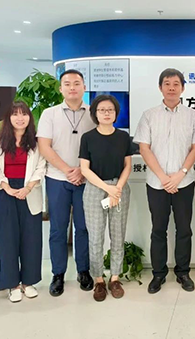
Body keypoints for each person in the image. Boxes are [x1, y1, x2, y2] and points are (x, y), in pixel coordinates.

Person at [133, 68, 195, 294]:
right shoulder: (149, 115)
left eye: (176, 84)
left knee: (184, 229)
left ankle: (183, 272)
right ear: (160, 87)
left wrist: (181, 173)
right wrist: (163, 177)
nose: (171, 88)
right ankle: (158, 274)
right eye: (167, 83)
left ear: (183, 88)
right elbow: (144, 148)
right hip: (157, 183)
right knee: (158, 230)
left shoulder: (192, 115)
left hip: (184, 182)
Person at [37, 69, 96, 296]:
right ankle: (58, 274)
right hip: (57, 179)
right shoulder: (49, 114)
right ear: (61, 88)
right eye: (67, 83)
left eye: (77, 83)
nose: (72, 87)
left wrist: (81, 171)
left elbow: (98, 146)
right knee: (58, 229)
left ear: (84, 87)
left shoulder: (93, 114)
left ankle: (83, 270)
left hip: (85, 180)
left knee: (83, 228)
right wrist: (67, 170)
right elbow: (44, 146)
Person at [0, 101, 46, 303]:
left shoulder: (36, 142)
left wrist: (28, 188)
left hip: (29, 191)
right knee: (8, 239)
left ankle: (28, 282)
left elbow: (41, 166)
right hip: (5, 192)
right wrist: (8, 188)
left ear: (30, 117)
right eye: (15, 114)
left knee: (31, 239)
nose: (20, 118)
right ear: (9, 118)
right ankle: (12, 284)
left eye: (24, 114)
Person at [79, 95, 132, 302]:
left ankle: (115, 278)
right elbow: (85, 169)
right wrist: (107, 188)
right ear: (95, 114)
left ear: (116, 113)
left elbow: (127, 165)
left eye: (110, 110)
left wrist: (117, 188)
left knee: (118, 235)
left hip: (119, 188)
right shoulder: (88, 137)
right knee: (95, 237)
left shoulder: (123, 137)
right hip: (95, 189)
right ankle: (99, 280)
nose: (106, 113)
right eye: (102, 110)